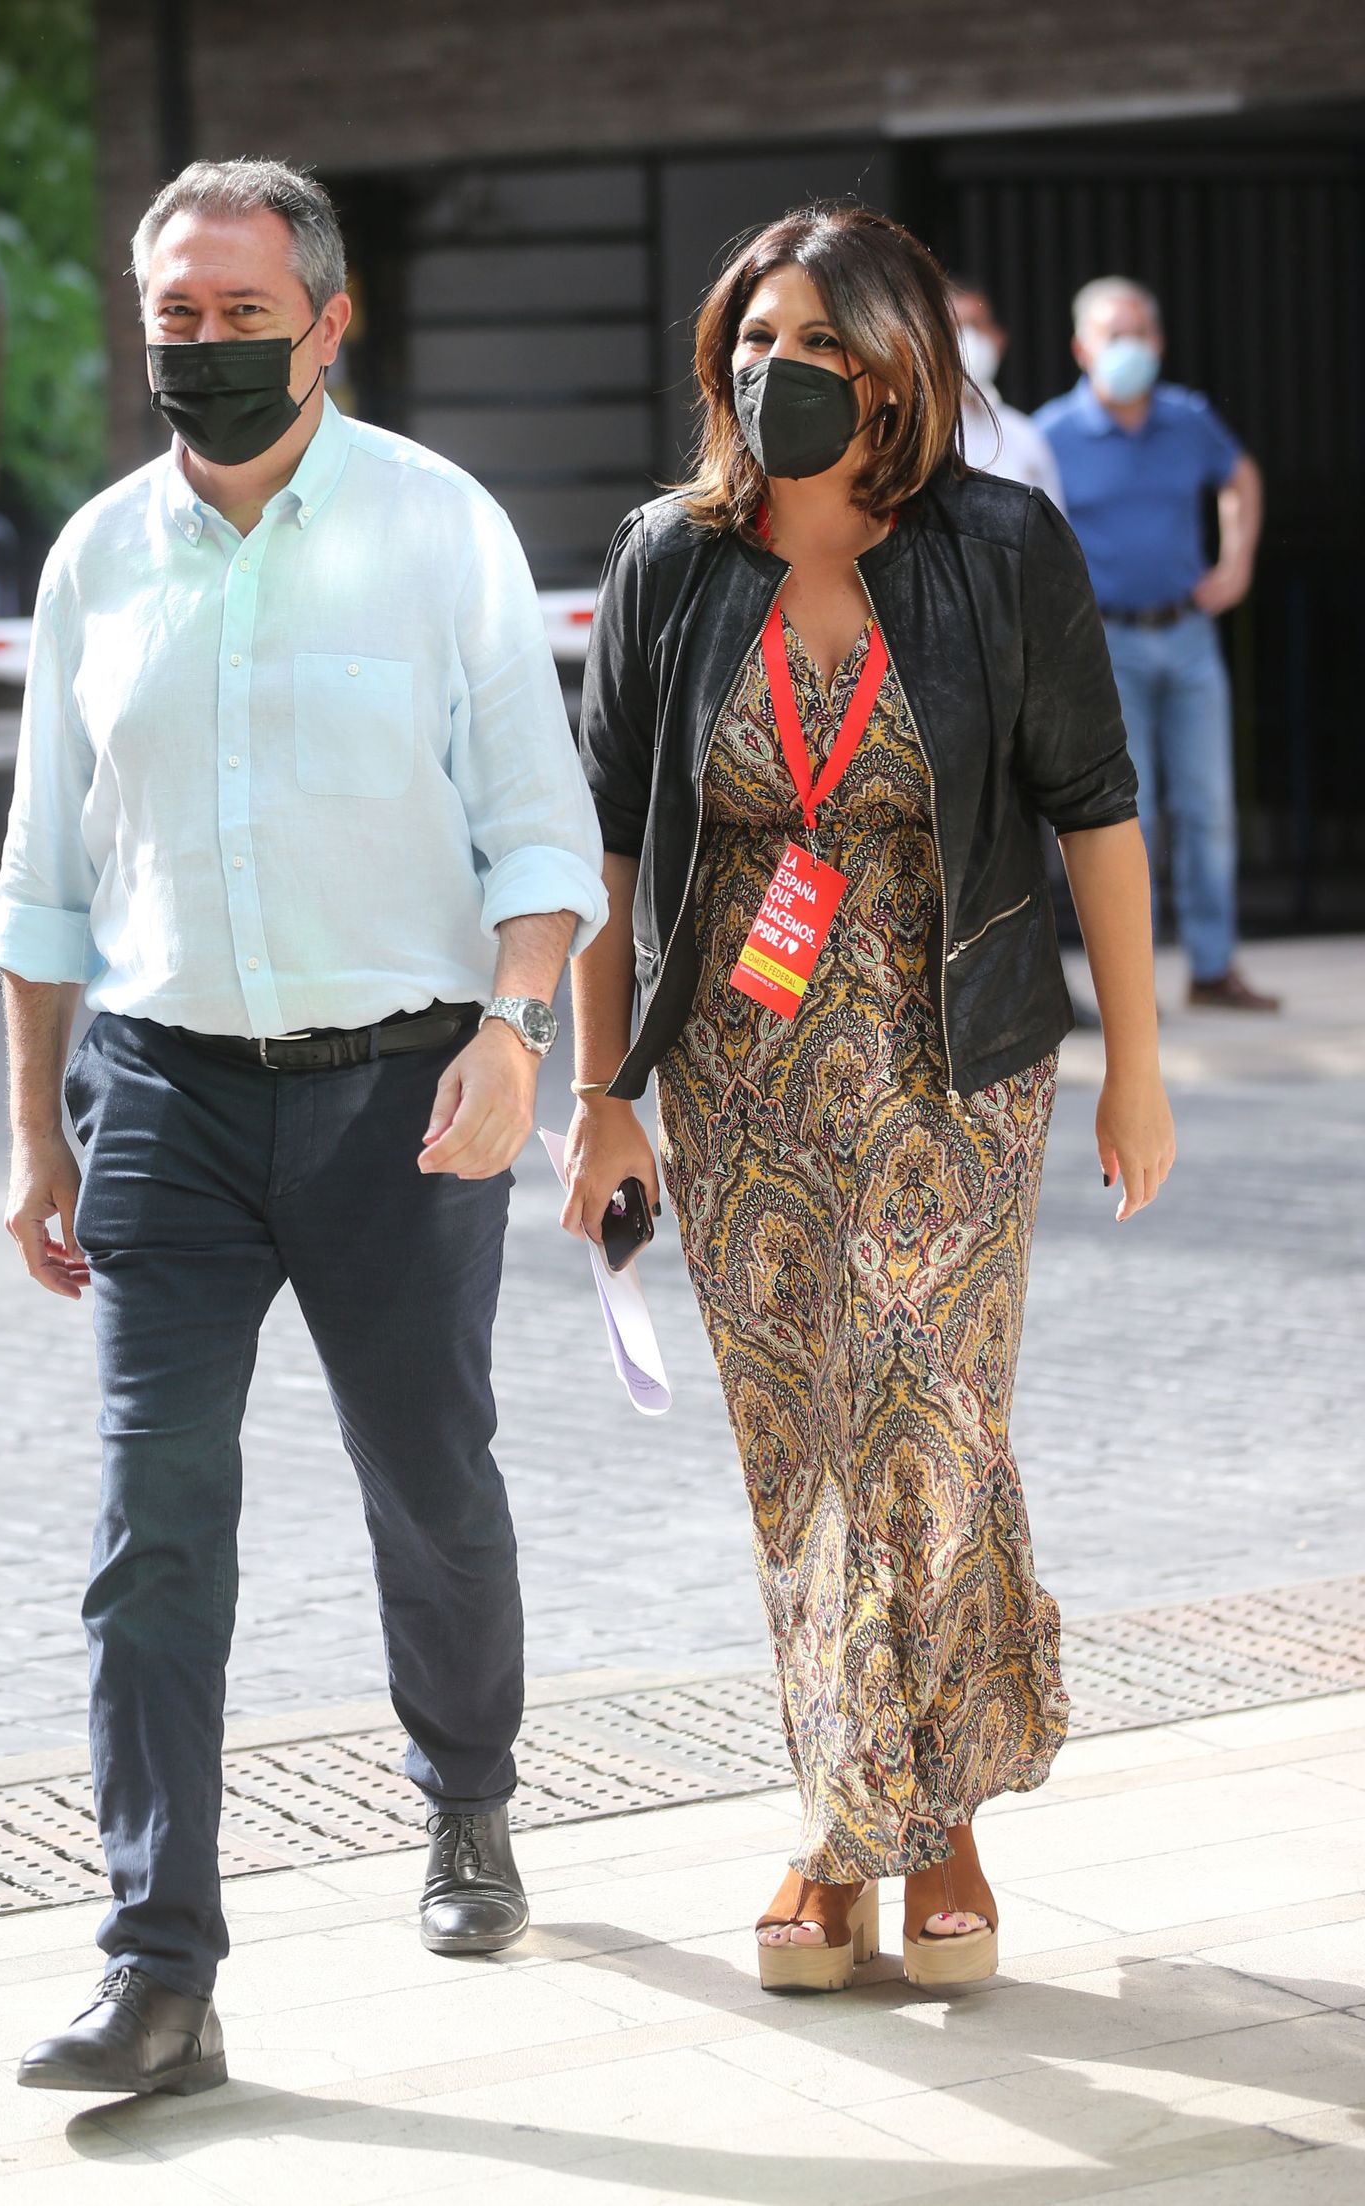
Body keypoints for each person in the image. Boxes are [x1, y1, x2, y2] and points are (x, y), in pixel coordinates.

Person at [0, 157, 607, 2098]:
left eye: (243, 318)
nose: (206, 350)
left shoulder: (437, 531)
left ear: (328, 323)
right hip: (163, 1090)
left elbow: (537, 825)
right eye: (176, 319)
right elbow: (44, 880)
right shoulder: (95, 554)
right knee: (148, 1521)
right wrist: (34, 1136)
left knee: (428, 1485)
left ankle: (466, 1795)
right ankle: (157, 1962)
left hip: (404, 1090)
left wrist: (520, 1039)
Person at [563, 203, 1174, 1995]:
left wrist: (1139, 1060)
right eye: (759, 341)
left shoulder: (1002, 545)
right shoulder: (670, 561)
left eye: (825, 346)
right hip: (734, 1068)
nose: (783, 373)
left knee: (923, 1423)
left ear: (904, 367)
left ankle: (909, 1828)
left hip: (951, 1050)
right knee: (797, 1451)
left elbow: (1099, 806)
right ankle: (863, 1814)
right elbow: (606, 845)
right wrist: (602, 1097)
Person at [1035, 277, 1275, 1011]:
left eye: (1141, 333)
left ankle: (1211, 967)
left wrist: (1235, 563)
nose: (1130, 347)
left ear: (1160, 343)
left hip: (1189, 634)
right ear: (1082, 347)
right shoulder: (1052, 435)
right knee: (1122, 817)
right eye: (1115, 334)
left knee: (1209, 805)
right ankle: (1128, 977)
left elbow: (1240, 477)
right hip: (1107, 647)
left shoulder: (1187, 418)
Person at [948, 278, 1063, 505]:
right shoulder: (912, 435)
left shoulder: (1024, 434)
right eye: (955, 327)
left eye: (977, 325)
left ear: (999, 339)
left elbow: (1052, 530)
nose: (968, 339)